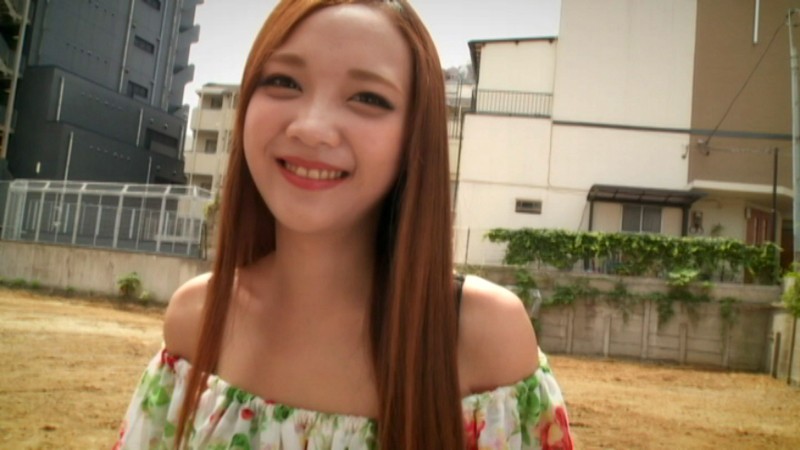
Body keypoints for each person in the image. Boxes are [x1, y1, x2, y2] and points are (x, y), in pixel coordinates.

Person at [115, 1, 573, 449]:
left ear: (414, 137)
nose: (311, 127)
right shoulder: (195, 322)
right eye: (284, 81)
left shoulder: (482, 337)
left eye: (368, 98)